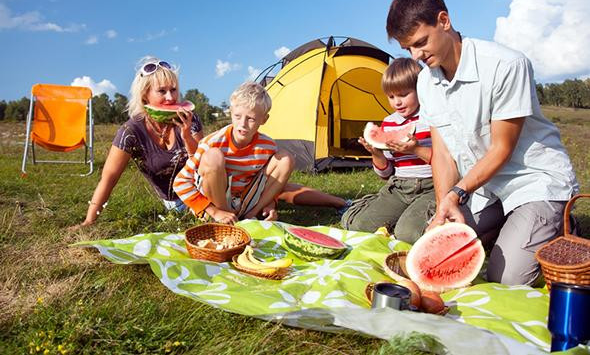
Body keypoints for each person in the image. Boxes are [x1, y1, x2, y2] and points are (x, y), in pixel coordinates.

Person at [385, 0, 579, 285]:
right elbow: (443, 154)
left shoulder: (506, 65)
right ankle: (509, 229)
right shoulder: (425, 82)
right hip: (485, 190)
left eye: (421, 42)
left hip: (532, 182)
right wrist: (442, 208)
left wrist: (457, 193)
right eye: (408, 48)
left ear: (444, 21)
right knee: (428, 240)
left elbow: (501, 149)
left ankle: (560, 225)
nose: (417, 55)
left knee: (507, 277)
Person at [173, 81, 349, 224]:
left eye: (250, 118)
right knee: (213, 156)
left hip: (245, 201)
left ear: (264, 120)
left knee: (285, 158)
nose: (242, 124)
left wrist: (270, 204)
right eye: (237, 116)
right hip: (215, 204)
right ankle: (221, 220)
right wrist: (214, 211)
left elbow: (267, 184)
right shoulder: (212, 141)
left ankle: (252, 217)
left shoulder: (267, 146)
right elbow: (180, 183)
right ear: (231, 112)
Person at [70, 56, 204, 230]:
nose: (170, 97)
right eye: (162, 91)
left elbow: (205, 166)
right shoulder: (130, 132)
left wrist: (186, 136)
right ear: (145, 95)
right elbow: (109, 178)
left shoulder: (189, 120)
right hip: (177, 205)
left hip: (204, 191)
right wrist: (89, 221)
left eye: (174, 89)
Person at [341, 58, 435, 243]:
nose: (397, 102)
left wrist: (416, 149)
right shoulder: (389, 123)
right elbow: (386, 173)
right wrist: (376, 153)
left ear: (420, 89)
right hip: (399, 187)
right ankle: (397, 221)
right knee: (357, 225)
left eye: (403, 94)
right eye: (391, 97)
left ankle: (414, 222)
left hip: (431, 186)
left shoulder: (432, 117)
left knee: (407, 234)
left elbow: (447, 162)